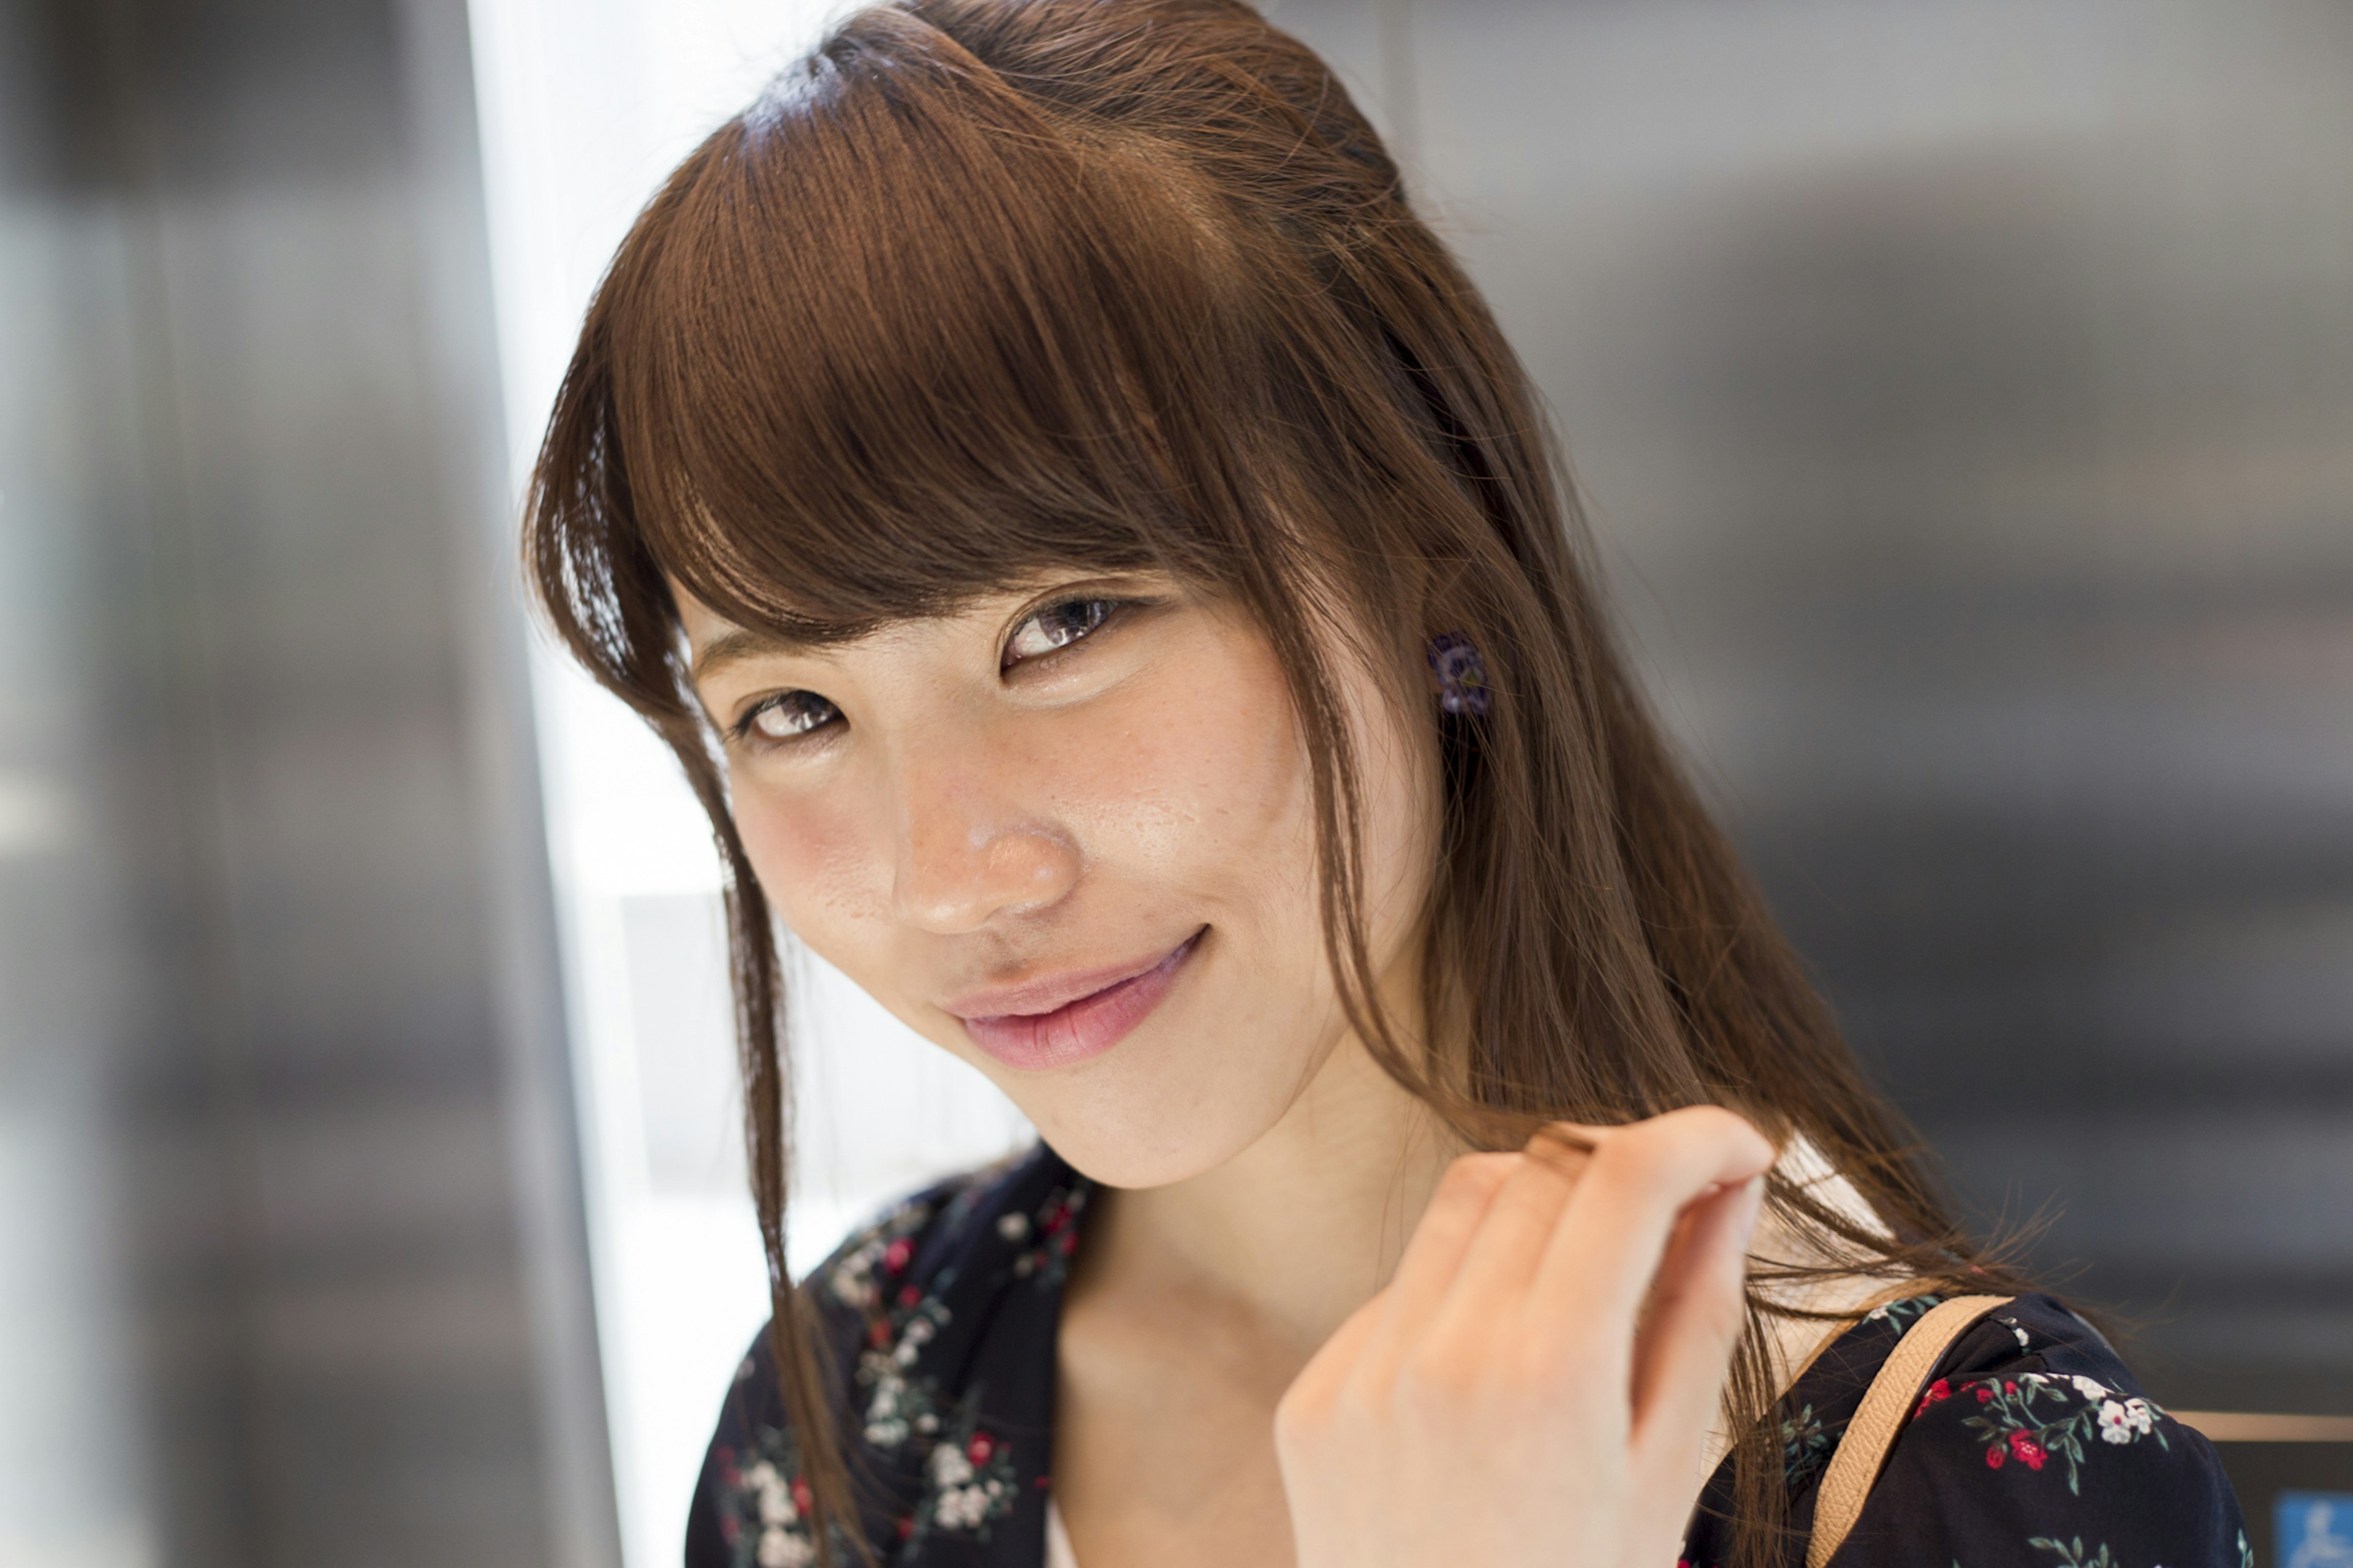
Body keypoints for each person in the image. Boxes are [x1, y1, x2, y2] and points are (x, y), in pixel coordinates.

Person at [523, 2, 2248, 1564]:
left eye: (1065, 623)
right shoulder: (847, 1418)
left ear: (1430, 565)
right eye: (795, 711)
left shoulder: (1966, 1495)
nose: (952, 872)